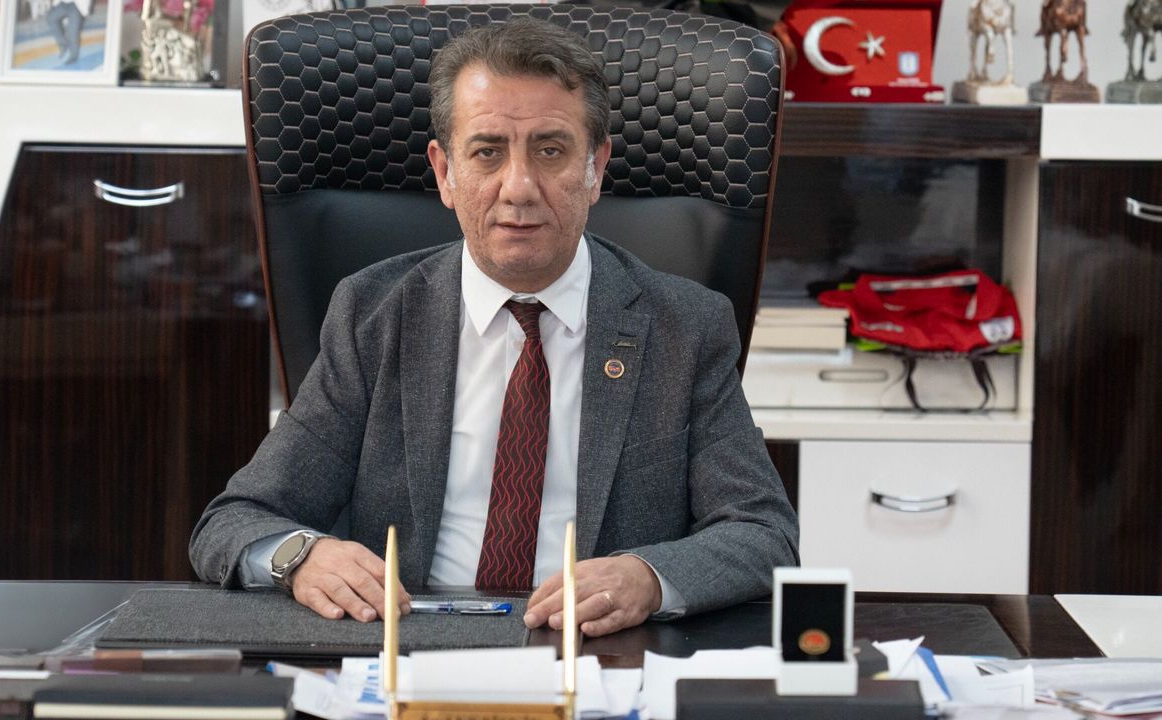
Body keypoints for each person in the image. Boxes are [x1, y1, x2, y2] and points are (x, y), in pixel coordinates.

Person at [189, 17, 798, 638]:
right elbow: (236, 520)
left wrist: (647, 577)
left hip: (594, 651)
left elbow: (763, 533)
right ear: (445, 173)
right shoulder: (372, 315)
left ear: (596, 167)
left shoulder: (684, 328)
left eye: (551, 150)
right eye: (487, 152)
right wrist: (302, 557)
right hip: (409, 645)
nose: (520, 188)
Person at [46, 0, 92, 65]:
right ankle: (63, 44)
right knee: (51, 18)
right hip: (64, 3)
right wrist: (55, 4)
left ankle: (74, 55)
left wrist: (85, 11)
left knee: (72, 30)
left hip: (77, 5)